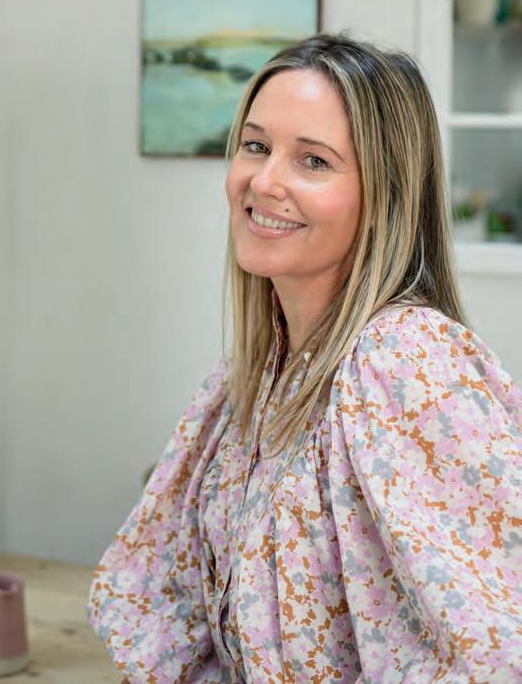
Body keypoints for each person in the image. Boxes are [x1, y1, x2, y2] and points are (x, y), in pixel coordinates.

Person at [88, 34, 522, 683]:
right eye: (256, 146)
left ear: (385, 197)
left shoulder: (402, 361)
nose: (264, 182)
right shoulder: (249, 380)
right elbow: (172, 615)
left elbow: (495, 655)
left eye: (314, 161)